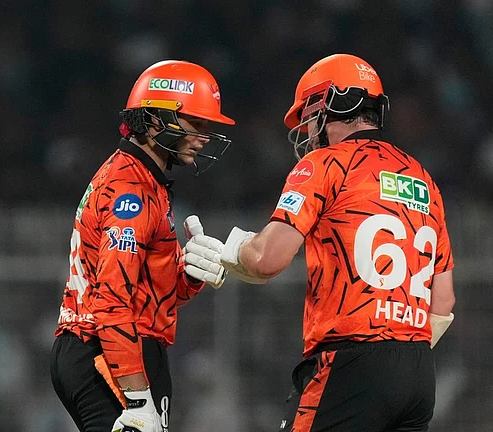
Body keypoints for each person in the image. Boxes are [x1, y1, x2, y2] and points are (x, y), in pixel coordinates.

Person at [187, 53, 456, 431]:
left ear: (335, 103)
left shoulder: (325, 164)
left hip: (351, 359)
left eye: (311, 112)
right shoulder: (424, 178)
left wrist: (231, 252)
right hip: (417, 372)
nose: (309, 127)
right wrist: (398, 354)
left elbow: (268, 259)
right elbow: (443, 303)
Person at [49, 60, 232, 432]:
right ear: (153, 121)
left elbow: (145, 293)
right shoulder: (132, 192)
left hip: (97, 346)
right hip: (110, 351)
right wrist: (138, 400)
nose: (203, 137)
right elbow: (113, 301)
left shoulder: (140, 179)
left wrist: (189, 274)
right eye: (195, 123)